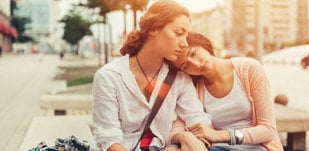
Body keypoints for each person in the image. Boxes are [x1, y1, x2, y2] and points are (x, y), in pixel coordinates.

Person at [90, 1, 212, 151]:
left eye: (186, 36)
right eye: (179, 33)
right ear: (154, 28)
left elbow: (198, 118)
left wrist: (181, 140)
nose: (185, 43)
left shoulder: (178, 79)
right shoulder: (109, 77)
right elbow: (109, 138)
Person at [169, 32, 284, 151]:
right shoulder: (196, 89)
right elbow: (176, 129)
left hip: (258, 148)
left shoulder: (249, 68)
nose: (196, 64)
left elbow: (268, 129)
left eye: (193, 53)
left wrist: (218, 135)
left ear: (202, 44)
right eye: (185, 66)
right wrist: (181, 138)